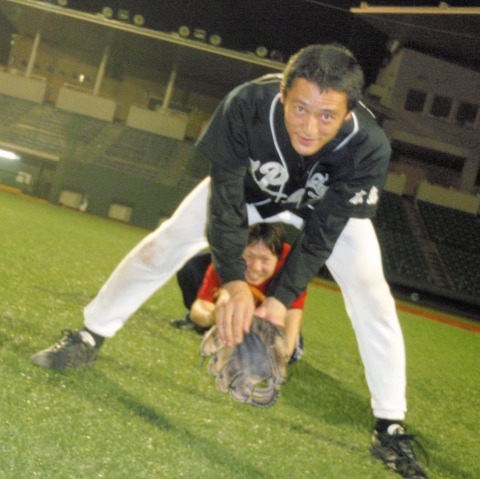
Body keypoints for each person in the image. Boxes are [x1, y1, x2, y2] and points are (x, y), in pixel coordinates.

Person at [31, 44, 427, 478]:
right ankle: (89, 336)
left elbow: (322, 237)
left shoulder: (367, 145)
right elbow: (224, 202)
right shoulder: (247, 104)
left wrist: (279, 300)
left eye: (327, 116)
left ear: (349, 112)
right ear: (282, 94)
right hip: (248, 196)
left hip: (321, 212)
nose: (310, 126)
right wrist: (235, 282)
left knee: (372, 293)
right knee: (164, 244)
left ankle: (389, 425)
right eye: (299, 108)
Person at [171, 223, 305, 364]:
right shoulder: (227, 258)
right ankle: (219, 328)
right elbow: (198, 310)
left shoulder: (292, 267)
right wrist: (221, 316)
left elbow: (292, 321)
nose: (256, 267)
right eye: (249, 256)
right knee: (192, 264)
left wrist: (278, 356)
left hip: (270, 322)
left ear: (278, 258)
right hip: (232, 307)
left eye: (265, 260)